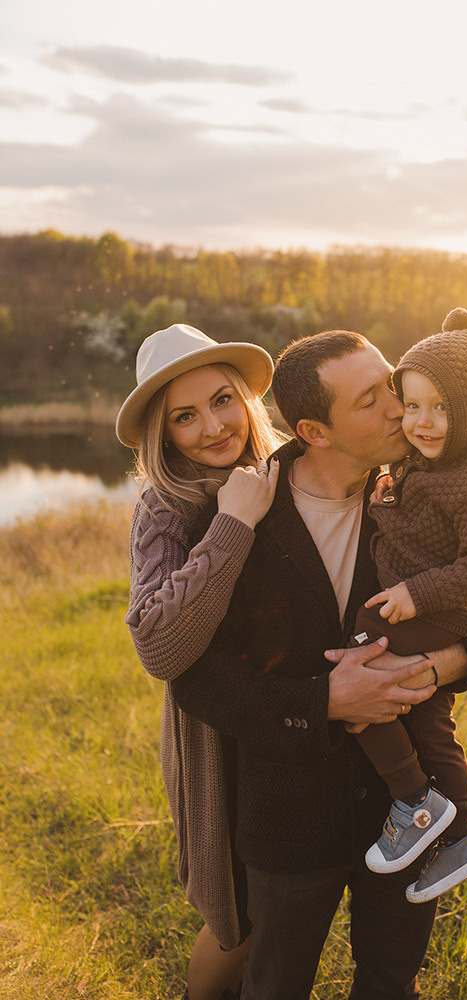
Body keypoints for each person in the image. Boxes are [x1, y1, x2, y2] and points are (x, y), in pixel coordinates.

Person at [171, 328, 467, 1000]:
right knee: (275, 983)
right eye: (373, 400)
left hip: (412, 809)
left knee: (390, 982)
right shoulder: (241, 514)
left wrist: (442, 666)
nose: (401, 408)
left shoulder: (421, 487)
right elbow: (198, 677)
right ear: (316, 430)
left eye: (393, 385)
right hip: (290, 812)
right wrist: (322, 703)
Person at [115, 323, 287, 1000]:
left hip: (308, 721)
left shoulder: (294, 476)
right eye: (185, 417)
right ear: (164, 435)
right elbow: (159, 644)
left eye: (221, 400)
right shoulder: (164, 508)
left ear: (245, 399)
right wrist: (233, 523)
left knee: (289, 908)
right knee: (236, 921)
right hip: (220, 740)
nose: (213, 427)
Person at [349, 307, 467, 902]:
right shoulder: (429, 461)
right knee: (427, 717)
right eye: (413, 403)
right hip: (430, 604)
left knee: (361, 668)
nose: (422, 421)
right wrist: (383, 499)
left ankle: (415, 802)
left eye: (442, 407)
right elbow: (414, 528)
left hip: (448, 610)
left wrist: (412, 595)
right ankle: (458, 838)